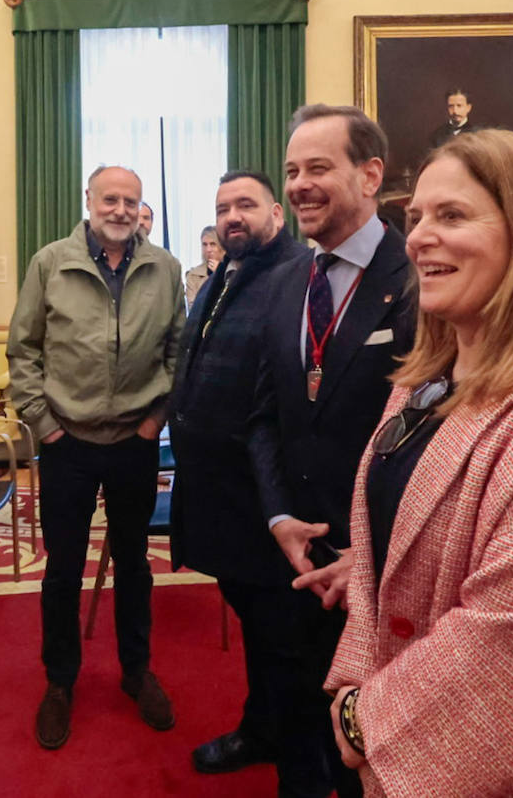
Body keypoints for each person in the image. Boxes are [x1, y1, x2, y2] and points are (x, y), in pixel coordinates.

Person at [323, 129, 513, 795]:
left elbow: (504, 654)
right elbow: (384, 554)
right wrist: (356, 677)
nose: (416, 238)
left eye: (452, 215)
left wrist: (357, 723)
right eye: (416, 219)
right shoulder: (426, 378)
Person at [239, 104, 415, 798]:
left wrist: (370, 552)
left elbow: (437, 437)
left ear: (370, 175)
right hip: (295, 557)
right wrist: (279, 516)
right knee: (296, 727)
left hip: (382, 570)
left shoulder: (420, 280)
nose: (300, 185)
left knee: (365, 749)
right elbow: (262, 417)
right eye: (291, 171)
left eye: (318, 168)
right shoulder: (286, 281)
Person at [8, 164, 185, 750]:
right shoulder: (50, 262)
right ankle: (60, 682)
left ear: (141, 208)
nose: (120, 209)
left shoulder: (165, 267)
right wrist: (45, 427)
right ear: (88, 200)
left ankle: (137, 672)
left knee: (136, 565)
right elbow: (24, 349)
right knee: (62, 571)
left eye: (130, 201)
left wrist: (155, 421)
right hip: (67, 445)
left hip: (135, 443)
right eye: (110, 198)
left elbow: (177, 352)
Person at [169, 170, 308, 778]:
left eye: (245, 205)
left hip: (267, 495)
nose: (232, 217)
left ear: (276, 213)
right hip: (218, 489)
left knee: (284, 634)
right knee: (254, 618)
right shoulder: (224, 274)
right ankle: (263, 729)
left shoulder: (298, 275)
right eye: (223, 207)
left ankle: (298, 759)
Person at [183, 225, 222, 310]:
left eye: (213, 244)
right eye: (204, 244)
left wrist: (219, 273)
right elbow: (193, 308)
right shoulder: (193, 275)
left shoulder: (233, 271)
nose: (208, 249)